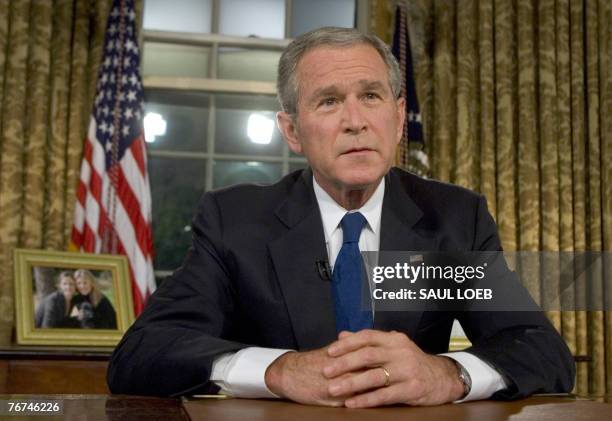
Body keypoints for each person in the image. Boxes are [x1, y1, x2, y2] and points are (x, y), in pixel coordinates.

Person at [107, 27, 574, 406]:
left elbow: (540, 349)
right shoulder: (236, 220)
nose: (355, 120)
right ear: (292, 130)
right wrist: (278, 370)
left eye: (371, 96)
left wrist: (447, 374)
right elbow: (142, 353)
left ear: (397, 115)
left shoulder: (453, 218)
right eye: (328, 101)